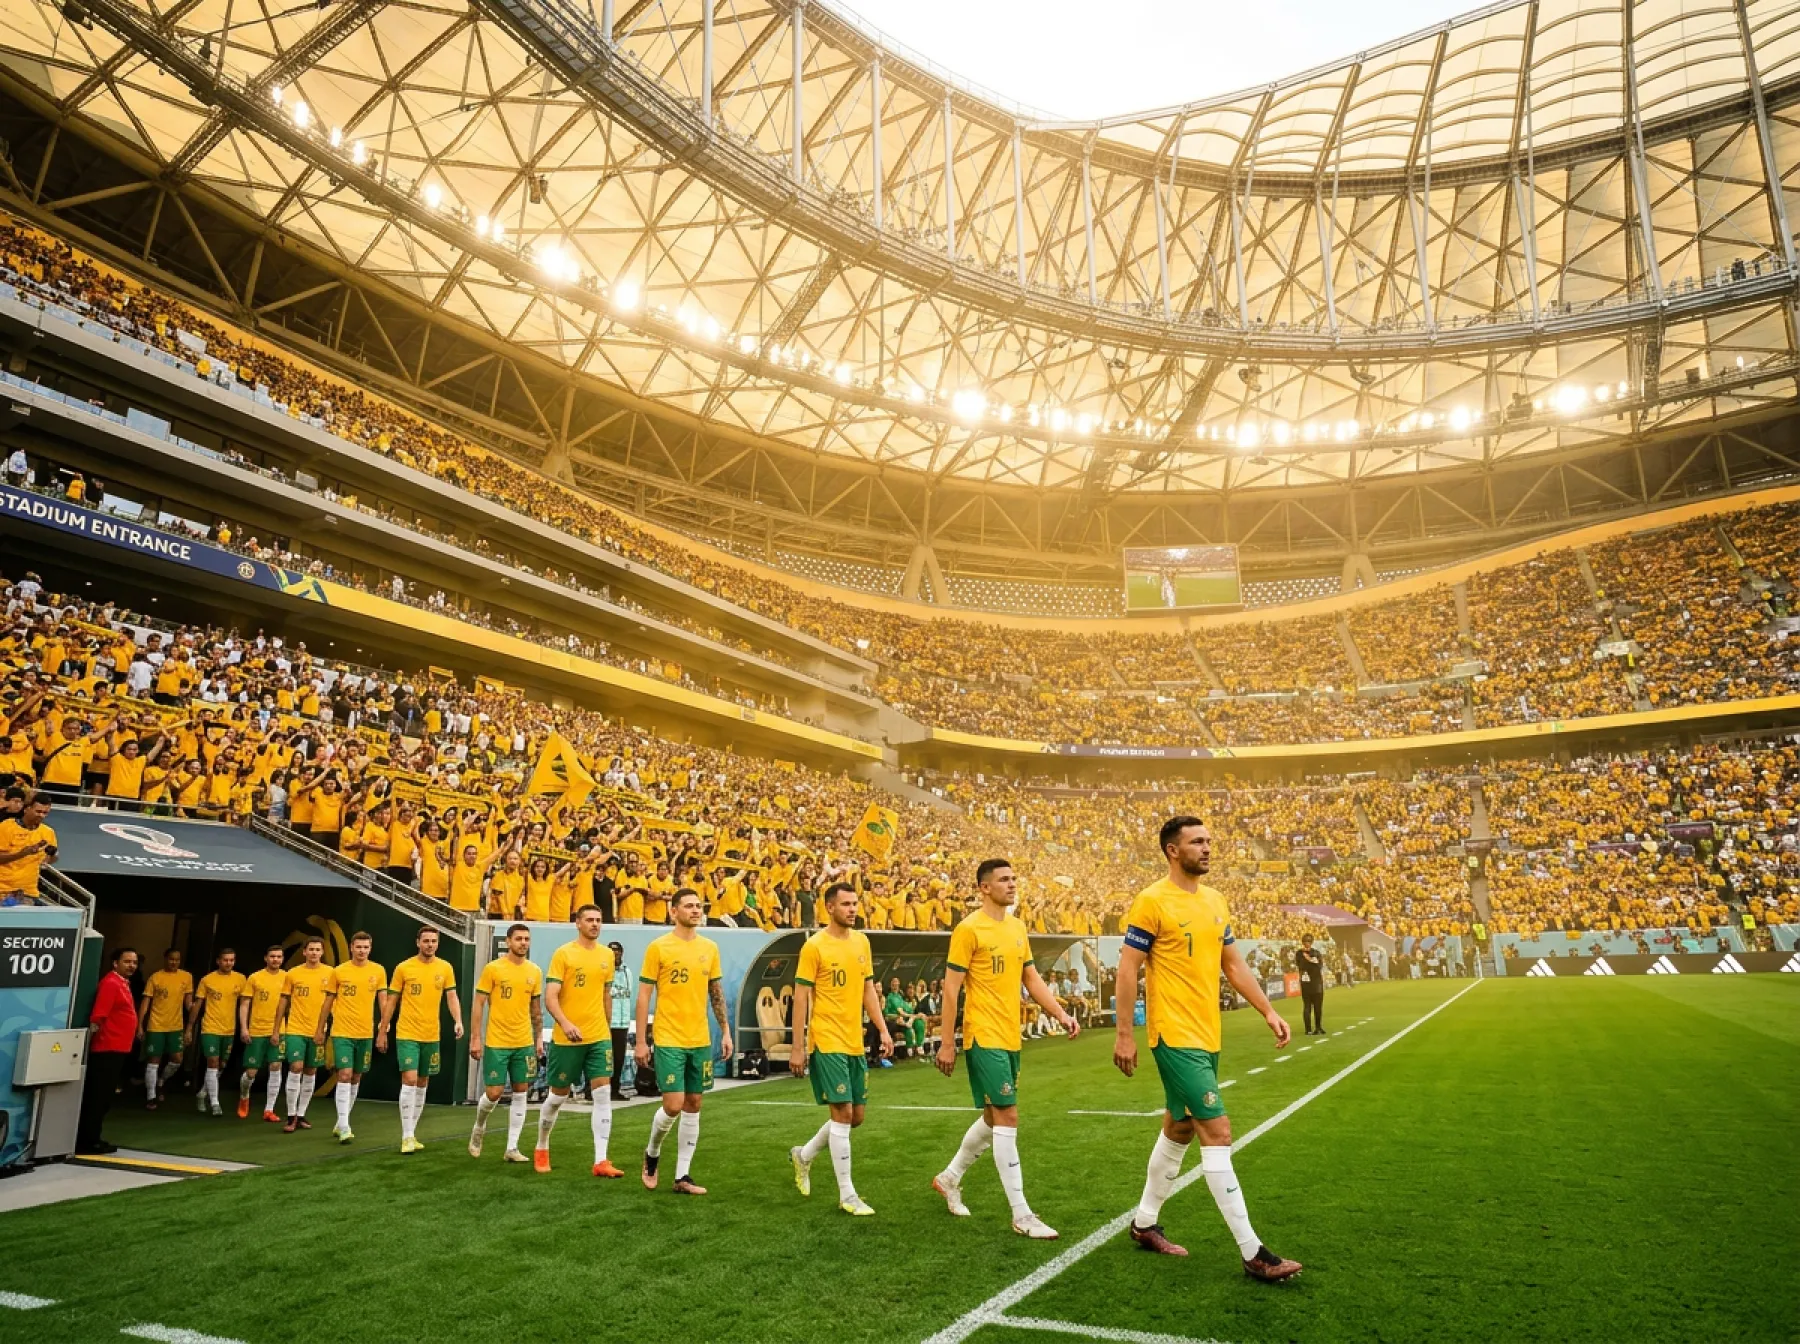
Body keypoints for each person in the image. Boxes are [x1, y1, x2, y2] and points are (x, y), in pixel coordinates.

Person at [1113, 815, 1302, 1281]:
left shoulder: (1216, 901)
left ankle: (1143, 1224)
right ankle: (1253, 1251)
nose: (1207, 847)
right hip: (1173, 1035)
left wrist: (1268, 1011)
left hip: (1207, 1034)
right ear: (1172, 850)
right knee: (1216, 1132)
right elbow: (1127, 969)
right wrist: (1123, 1034)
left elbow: (1233, 966)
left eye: (1209, 840)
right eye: (1197, 842)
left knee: (1179, 1129)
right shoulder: (1152, 900)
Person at [931, 858, 1079, 1240]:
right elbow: (951, 988)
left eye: (1014, 878)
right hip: (983, 1036)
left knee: (993, 1117)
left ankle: (950, 1178)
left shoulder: (1016, 927)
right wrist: (947, 1042)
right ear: (984, 887)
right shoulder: (968, 929)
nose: (1012, 884)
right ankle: (1021, 1214)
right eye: (1004, 880)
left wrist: (1061, 1014)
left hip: (1010, 1036)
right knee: (1008, 1116)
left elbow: (1031, 978)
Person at [787, 881, 892, 1216]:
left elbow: (868, 991)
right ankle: (848, 1195)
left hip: (853, 1041)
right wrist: (798, 1047)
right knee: (843, 1113)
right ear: (829, 907)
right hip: (826, 1039)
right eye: (846, 904)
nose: (852, 909)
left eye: (854, 903)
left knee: (855, 1117)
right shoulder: (814, 947)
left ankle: (803, 1155)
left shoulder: (861, 942)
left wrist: (883, 1029)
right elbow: (800, 998)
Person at [634, 888, 731, 1195]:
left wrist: (725, 1031)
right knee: (673, 1105)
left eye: (698, 906)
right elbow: (644, 997)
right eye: (688, 906)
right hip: (669, 1036)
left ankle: (682, 1177)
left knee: (694, 1103)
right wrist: (640, 1041)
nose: (695, 910)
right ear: (673, 911)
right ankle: (652, 1153)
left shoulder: (710, 948)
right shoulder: (659, 947)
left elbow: (715, 992)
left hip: (699, 1037)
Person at [536, 905, 621, 1176]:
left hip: (598, 1037)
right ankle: (541, 1146)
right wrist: (566, 1023)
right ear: (578, 923)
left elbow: (606, 994)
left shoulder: (607, 955)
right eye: (590, 920)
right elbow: (550, 997)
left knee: (603, 1093)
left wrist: (606, 1028)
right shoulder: (564, 954)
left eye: (599, 920)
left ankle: (601, 1160)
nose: (595, 924)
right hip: (567, 1038)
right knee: (557, 1097)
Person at [379, 925, 463, 1153]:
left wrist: (458, 1020)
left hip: (431, 1034)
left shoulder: (445, 968)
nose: (430, 945)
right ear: (418, 942)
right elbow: (392, 1001)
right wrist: (383, 1029)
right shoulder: (404, 968)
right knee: (409, 1079)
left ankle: (412, 1133)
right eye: (426, 941)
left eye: (433, 941)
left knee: (423, 1082)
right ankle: (406, 1136)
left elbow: (452, 997)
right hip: (407, 1033)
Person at [468, 923, 544, 1164]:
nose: (523, 943)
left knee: (522, 1091)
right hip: (497, 1041)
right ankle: (479, 1127)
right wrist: (476, 1038)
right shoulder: (493, 969)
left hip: (523, 1042)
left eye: (527, 939)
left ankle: (512, 1147)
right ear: (508, 941)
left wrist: (539, 1038)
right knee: (494, 1093)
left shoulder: (534, 972)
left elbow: (536, 1010)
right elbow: (478, 1003)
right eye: (519, 938)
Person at [322, 932, 388, 1143]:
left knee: (356, 1076)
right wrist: (319, 1028)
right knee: (344, 1074)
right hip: (342, 1032)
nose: (362, 951)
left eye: (366, 947)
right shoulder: (339, 972)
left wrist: (383, 1031)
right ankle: (344, 1126)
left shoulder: (378, 971)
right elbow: (327, 1002)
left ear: (371, 948)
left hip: (365, 1033)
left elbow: (383, 1004)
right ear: (351, 947)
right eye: (358, 947)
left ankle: (342, 1120)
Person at [77, 947, 139, 1154]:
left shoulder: (122, 984)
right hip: (106, 1048)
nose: (131, 965)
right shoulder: (111, 983)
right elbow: (98, 1016)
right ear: (115, 963)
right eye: (127, 961)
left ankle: (93, 1137)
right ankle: (87, 1140)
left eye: (134, 962)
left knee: (103, 1096)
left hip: (117, 1047)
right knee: (98, 1096)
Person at [273, 935, 334, 1133]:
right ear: (305, 952)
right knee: (296, 1066)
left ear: (322, 953)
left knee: (310, 1071)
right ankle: (290, 1116)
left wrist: (325, 1030)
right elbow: (283, 1002)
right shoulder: (293, 974)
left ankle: (301, 1114)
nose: (314, 953)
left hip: (317, 1031)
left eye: (318, 950)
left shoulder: (331, 974)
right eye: (311, 949)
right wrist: (276, 1029)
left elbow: (334, 1002)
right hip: (295, 1030)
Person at [186, 948, 245, 1117]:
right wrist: (190, 1027)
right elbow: (197, 1005)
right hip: (210, 1028)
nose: (229, 963)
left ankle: (202, 1093)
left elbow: (244, 1003)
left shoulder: (240, 979)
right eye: (225, 960)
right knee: (212, 1063)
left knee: (221, 1065)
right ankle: (215, 1103)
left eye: (232, 960)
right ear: (218, 961)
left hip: (229, 1029)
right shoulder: (208, 980)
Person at [137, 948, 193, 1109]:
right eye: (171, 959)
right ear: (165, 959)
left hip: (176, 1025)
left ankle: (161, 1080)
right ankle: (151, 1096)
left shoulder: (186, 977)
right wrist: (140, 1025)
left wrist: (196, 1009)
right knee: (154, 1060)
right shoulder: (156, 977)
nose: (174, 962)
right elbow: (146, 1002)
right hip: (156, 1025)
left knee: (177, 1059)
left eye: (177, 959)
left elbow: (188, 1003)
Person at [237, 945, 288, 1121]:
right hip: (257, 1030)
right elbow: (244, 1004)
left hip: (278, 1030)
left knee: (276, 1066)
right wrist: (244, 1027)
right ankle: (244, 1097)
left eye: (279, 957)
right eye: (272, 956)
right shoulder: (255, 978)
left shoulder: (287, 978)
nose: (276, 959)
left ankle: (269, 1109)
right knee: (251, 1072)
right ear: (266, 958)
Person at [0, 794, 58, 902]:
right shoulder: (6, 826)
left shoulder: (48, 832)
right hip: (3, 891)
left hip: (28, 892)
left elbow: (48, 860)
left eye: (45, 813)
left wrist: (53, 855)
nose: (41, 815)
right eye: (38, 811)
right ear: (27, 809)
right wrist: (22, 853)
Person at [607, 940, 632, 1100]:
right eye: (612, 952)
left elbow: (627, 992)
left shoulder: (626, 971)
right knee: (603, 1058)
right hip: (607, 1022)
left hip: (622, 1022)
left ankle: (615, 1090)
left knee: (618, 1058)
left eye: (617, 952)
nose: (615, 955)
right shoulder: (603, 971)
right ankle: (593, 1090)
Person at [1295, 934, 1326, 1035]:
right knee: (1317, 1007)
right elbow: (1319, 966)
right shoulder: (1316, 953)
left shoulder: (1299, 953)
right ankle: (1318, 1027)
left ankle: (1308, 1029)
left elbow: (1299, 965)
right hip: (1316, 983)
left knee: (1307, 1006)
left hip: (1305, 983)